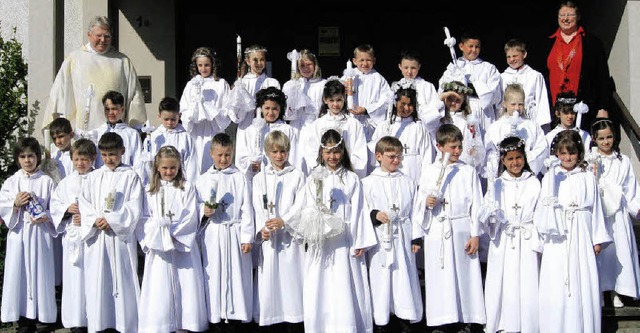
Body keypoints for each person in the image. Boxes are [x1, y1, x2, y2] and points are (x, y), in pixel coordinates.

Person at [288, 129, 376, 333]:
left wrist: (359, 240)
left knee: (345, 284)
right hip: (322, 242)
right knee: (321, 284)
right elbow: (302, 207)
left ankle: (348, 326)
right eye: (328, 152)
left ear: (343, 152)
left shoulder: (352, 179)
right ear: (321, 152)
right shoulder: (314, 178)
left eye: (336, 152)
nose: (332, 157)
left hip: (345, 240)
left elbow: (360, 210)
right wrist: (312, 222)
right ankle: (320, 326)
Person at [534, 129, 610, 333]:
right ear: (557, 154)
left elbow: (596, 209)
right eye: (563, 153)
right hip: (558, 238)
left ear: (579, 153)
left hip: (581, 234)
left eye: (572, 153)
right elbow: (542, 210)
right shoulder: (550, 178)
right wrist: (541, 241)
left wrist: (597, 238)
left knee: (581, 281)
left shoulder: (587, 177)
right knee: (557, 282)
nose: (568, 158)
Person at [412, 124, 486, 333]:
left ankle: (467, 317)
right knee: (441, 275)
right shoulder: (430, 172)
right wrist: (427, 202)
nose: (457, 151)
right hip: (438, 228)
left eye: (459, 146)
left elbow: (476, 205)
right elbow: (419, 204)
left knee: (465, 275)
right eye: (452, 147)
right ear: (439, 146)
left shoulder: (468, 171)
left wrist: (475, 234)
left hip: (462, 227)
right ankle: (442, 319)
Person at [137, 146, 208, 333]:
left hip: (182, 247)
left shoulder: (187, 188)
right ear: (157, 168)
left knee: (186, 285)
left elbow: (191, 216)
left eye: (173, 168)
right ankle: (160, 324)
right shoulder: (149, 191)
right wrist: (159, 233)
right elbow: (143, 219)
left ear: (179, 167)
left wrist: (172, 234)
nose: (169, 172)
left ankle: (187, 323)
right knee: (160, 287)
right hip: (159, 249)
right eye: (165, 168)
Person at [77, 132, 144, 333]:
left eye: (113, 154)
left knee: (123, 278)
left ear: (122, 152)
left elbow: (135, 206)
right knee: (98, 280)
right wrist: (94, 220)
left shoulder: (131, 176)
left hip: (120, 239)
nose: (108, 159)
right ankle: (100, 323)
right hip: (97, 237)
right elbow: (84, 202)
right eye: (104, 155)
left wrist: (112, 220)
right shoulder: (94, 176)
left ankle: (125, 324)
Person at [477, 136, 542, 333]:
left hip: (527, 237)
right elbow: (485, 215)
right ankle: (504, 323)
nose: (515, 163)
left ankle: (529, 324)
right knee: (505, 281)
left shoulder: (534, 183)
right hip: (505, 239)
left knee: (527, 281)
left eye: (519, 158)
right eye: (510, 159)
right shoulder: (497, 184)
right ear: (502, 161)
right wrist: (491, 214)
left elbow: (540, 214)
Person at [42, 15, 147, 134]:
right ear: (89, 35)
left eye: (107, 36)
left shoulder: (122, 61)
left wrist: (137, 126)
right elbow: (60, 93)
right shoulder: (74, 59)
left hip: (115, 133)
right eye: (99, 35)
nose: (103, 40)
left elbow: (135, 96)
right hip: (84, 130)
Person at [362, 136, 423, 333]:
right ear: (378, 156)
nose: (396, 160)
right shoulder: (367, 182)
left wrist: (416, 237)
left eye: (398, 156)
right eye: (390, 156)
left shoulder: (407, 181)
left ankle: (405, 315)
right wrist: (374, 215)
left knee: (404, 275)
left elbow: (416, 210)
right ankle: (382, 318)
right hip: (380, 238)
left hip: (403, 234)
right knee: (381, 276)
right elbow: (362, 211)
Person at [195, 133, 254, 331]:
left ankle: (237, 317)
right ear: (211, 153)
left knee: (238, 276)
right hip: (213, 234)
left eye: (227, 155)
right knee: (213, 274)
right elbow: (194, 206)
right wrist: (203, 212)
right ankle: (216, 316)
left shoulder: (240, 178)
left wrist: (247, 237)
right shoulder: (203, 180)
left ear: (233, 153)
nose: (223, 159)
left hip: (235, 232)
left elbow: (247, 209)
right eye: (219, 155)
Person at [0, 137, 57, 332]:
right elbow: (2, 206)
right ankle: (23, 318)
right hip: (19, 234)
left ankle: (43, 317)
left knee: (41, 273)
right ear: (18, 160)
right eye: (23, 156)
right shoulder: (11, 181)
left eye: (31, 156)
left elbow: (57, 210)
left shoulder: (46, 181)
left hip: (40, 234)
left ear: (38, 157)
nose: (27, 160)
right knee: (19, 273)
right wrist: (14, 204)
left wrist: (46, 216)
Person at [252, 130, 306, 331]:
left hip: (289, 238)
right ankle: (271, 316)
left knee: (291, 278)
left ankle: (293, 316)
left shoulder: (297, 176)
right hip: (270, 239)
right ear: (267, 152)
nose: (279, 156)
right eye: (274, 152)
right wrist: (262, 228)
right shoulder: (260, 178)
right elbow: (257, 206)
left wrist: (284, 221)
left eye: (283, 151)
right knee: (270, 281)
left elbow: (301, 204)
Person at [589, 118, 640, 308]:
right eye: (601, 139)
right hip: (600, 213)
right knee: (602, 254)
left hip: (618, 214)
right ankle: (602, 291)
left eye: (609, 137)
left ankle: (617, 291)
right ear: (594, 139)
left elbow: (630, 187)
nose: (606, 142)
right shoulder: (592, 160)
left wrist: (635, 206)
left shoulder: (623, 161)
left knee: (619, 252)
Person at [49, 138, 96, 333]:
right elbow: (55, 206)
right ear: (72, 159)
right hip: (72, 238)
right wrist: (67, 210)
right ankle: (76, 320)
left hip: (93, 238)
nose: (80, 163)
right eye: (77, 159)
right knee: (74, 280)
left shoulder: (99, 178)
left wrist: (87, 217)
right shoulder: (66, 182)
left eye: (84, 159)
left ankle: (95, 318)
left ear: (93, 159)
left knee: (93, 279)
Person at [544, 0, 612, 131]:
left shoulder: (592, 43)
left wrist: (603, 107)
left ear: (578, 17)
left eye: (570, 15)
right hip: (555, 110)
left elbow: (603, 77)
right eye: (562, 15)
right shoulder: (547, 43)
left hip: (583, 109)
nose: (565, 19)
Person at [299, 79, 368, 178]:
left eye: (339, 100)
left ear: (344, 98)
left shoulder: (353, 124)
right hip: (325, 174)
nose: (335, 104)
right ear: (325, 100)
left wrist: (347, 170)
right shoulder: (317, 125)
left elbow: (359, 152)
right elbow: (312, 151)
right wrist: (323, 169)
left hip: (347, 174)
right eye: (331, 100)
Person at [438, 30, 502, 135]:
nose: (474, 50)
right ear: (461, 46)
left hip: (481, 113)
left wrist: (471, 87)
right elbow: (441, 91)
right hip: (459, 113)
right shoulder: (452, 68)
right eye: (470, 46)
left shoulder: (488, 68)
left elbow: (495, 95)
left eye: (477, 47)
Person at [180, 46, 232, 174]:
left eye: (207, 65)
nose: (203, 69)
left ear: (213, 65)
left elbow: (226, 108)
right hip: (196, 131)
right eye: (200, 65)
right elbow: (184, 109)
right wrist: (194, 111)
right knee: (196, 162)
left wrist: (210, 110)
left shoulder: (221, 84)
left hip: (213, 128)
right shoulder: (191, 85)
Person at [368, 84, 434, 183]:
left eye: (410, 104)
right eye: (403, 104)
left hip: (414, 173)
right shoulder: (384, 126)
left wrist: (425, 181)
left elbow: (427, 156)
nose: (406, 108)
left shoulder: (419, 128)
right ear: (395, 103)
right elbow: (376, 155)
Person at [235, 87, 300, 180]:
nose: (270, 112)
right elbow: (241, 157)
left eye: (275, 109)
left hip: (282, 176)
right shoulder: (250, 130)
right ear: (260, 108)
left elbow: (294, 155)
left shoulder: (287, 130)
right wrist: (251, 164)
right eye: (267, 108)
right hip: (256, 178)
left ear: (280, 109)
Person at [484, 83, 548, 177]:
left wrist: (525, 160)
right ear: (504, 104)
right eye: (513, 104)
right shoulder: (496, 127)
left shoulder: (532, 126)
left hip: (526, 175)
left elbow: (541, 148)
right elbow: (490, 151)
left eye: (520, 104)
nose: (517, 108)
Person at [137, 96, 198, 185]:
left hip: (179, 182)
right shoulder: (154, 137)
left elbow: (192, 164)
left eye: (173, 119)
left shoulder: (186, 137)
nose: (169, 123)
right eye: (166, 119)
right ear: (159, 116)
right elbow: (147, 160)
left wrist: (190, 184)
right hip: (158, 182)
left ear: (179, 116)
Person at [342, 43, 393, 141]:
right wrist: (343, 89)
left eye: (368, 60)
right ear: (354, 61)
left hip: (370, 122)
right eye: (361, 60)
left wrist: (366, 110)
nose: (365, 64)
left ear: (374, 60)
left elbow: (386, 101)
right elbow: (337, 93)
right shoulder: (349, 76)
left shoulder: (379, 79)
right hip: (351, 120)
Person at [500, 38, 552, 131]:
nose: (512, 59)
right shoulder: (502, 77)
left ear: (524, 54)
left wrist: (542, 127)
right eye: (508, 57)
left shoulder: (535, 76)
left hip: (529, 118)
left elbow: (542, 101)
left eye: (515, 56)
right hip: (508, 118)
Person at [227, 44, 281, 132]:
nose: (259, 63)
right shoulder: (242, 83)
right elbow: (235, 114)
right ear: (248, 61)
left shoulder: (272, 83)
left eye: (262, 59)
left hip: (267, 128)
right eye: (255, 60)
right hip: (246, 127)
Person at [437, 80, 486, 175]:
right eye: (450, 98)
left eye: (457, 100)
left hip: (464, 164)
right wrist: (442, 98)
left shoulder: (469, 120)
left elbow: (476, 140)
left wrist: (474, 152)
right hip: (444, 162)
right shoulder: (439, 118)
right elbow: (427, 117)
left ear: (463, 102)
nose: (453, 103)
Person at [393, 50, 441, 135]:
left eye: (413, 68)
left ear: (419, 67)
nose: (409, 71)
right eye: (406, 67)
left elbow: (434, 110)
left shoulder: (427, 87)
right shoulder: (396, 86)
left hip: (421, 129)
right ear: (400, 66)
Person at [93, 90, 143, 169]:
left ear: (122, 109)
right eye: (107, 109)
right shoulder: (98, 133)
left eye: (114, 109)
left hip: (125, 176)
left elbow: (138, 161)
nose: (111, 113)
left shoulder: (132, 134)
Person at [281, 49, 327, 131]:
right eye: (302, 65)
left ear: (315, 65)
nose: (306, 68)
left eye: (309, 64)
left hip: (317, 125)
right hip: (298, 126)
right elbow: (287, 111)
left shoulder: (323, 84)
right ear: (297, 67)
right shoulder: (292, 85)